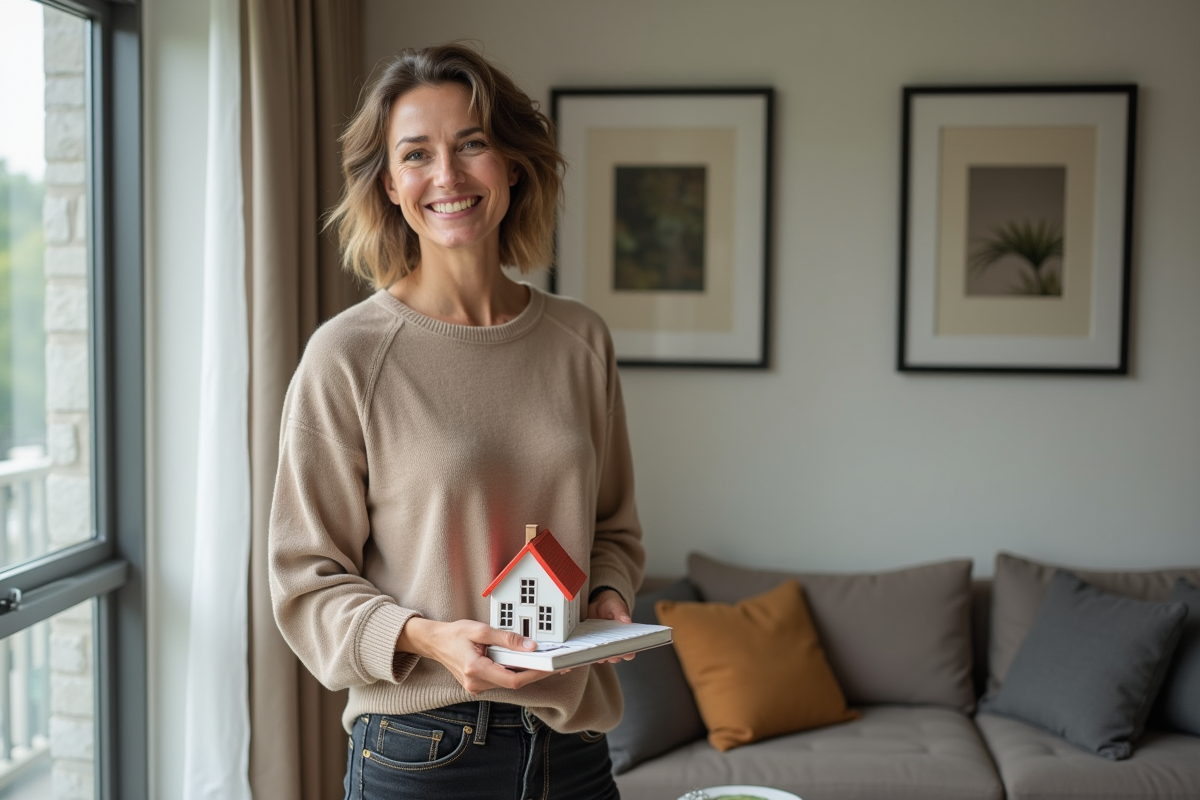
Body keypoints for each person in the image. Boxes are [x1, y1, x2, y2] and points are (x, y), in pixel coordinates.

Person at [268, 42, 645, 800]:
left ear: (511, 163)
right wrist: (426, 639)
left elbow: (613, 529)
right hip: (424, 749)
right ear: (388, 183)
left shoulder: (581, 340)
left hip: (575, 748)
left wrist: (606, 597)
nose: (447, 175)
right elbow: (305, 582)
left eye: (471, 143)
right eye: (416, 154)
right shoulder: (347, 356)